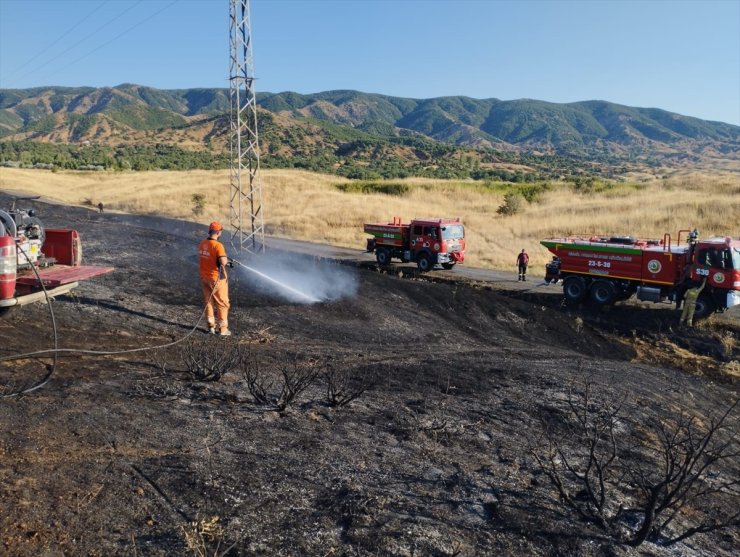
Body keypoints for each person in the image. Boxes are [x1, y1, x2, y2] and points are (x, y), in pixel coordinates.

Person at [198, 221, 231, 336]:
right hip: (216, 279)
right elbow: (222, 262)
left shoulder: (202, 243)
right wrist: (226, 260)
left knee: (209, 302)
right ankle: (223, 329)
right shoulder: (218, 245)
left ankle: (210, 327)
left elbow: (209, 257)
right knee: (222, 303)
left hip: (204, 277)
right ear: (218, 232)